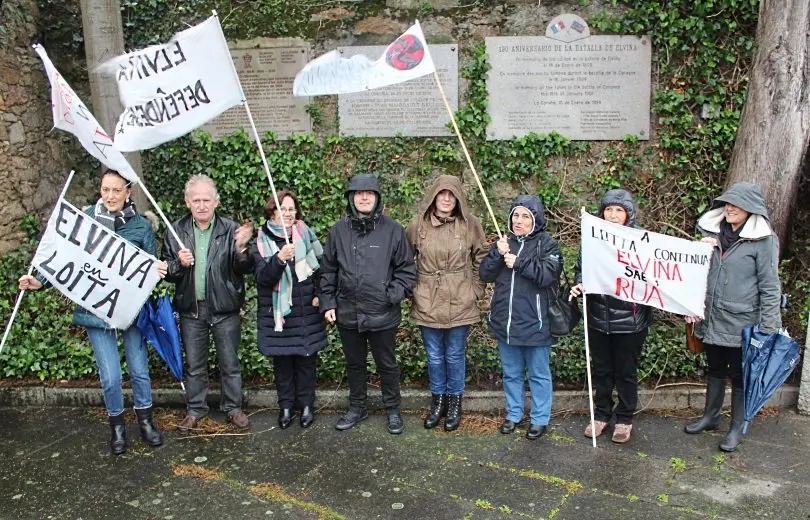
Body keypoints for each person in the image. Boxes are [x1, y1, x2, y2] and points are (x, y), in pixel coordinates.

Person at [19, 169, 167, 455]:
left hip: (130, 312)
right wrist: (39, 281)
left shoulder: (141, 227)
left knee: (138, 370)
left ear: (128, 192)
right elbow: (66, 260)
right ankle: (117, 428)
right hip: (95, 311)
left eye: (116, 190)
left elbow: (150, 265)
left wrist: (157, 270)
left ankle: (146, 422)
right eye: (105, 190)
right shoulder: (85, 221)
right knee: (110, 375)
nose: (110, 196)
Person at [684, 182, 781, 452]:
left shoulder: (764, 241)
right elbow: (694, 275)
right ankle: (710, 417)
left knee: (740, 376)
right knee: (714, 369)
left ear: (751, 210)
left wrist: (769, 328)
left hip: (743, 323)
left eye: (736, 205)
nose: (729, 208)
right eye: (727, 203)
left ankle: (737, 427)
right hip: (711, 317)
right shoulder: (710, 233)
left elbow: (770, 286)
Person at [320, 174, 416, 434]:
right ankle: (357, 407)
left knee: (387, 364)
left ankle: (393, 410)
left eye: (369, 193)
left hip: (383, 313)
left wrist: (391, 295)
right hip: (347, 312)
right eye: (358, 193)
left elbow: (406, 270)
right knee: (354, 364)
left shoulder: (393, 230)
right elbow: (328, 271)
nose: (364, 197)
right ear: (351, 198)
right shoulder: (338, 231)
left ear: (377, 198)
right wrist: (329, 302)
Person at [162, 174, 254, 432]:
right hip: (191, 308)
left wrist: (241, 248)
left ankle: (233, 408)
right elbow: (166, 271)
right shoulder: (176, 231)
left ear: (216, 202)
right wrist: (177, 264)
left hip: (224, 307)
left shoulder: (230, 228)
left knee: (230, 362)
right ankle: (195, 409)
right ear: (187, 202)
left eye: (206, 200)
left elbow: (244, 267)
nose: (202, 205)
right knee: (195, 364)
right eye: (196, 200)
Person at [570, 189, 653, 444]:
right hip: (597, 316)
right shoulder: (592, 240)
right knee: (602, 370)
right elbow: (582, 269)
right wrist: (580, 283)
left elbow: (651, 276)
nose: (613, 215)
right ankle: (601, 415)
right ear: (602, 213)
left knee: (626, 372)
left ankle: (625, 419)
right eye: (609, 210)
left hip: (630, 319)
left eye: (619, 210)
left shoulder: (641, 241)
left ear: (628, 214)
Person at [406, 175, 488, 431]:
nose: (446, 199)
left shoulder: (470, 224)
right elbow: (404, 259)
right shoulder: (417, 224)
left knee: (454, 354)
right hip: (427, 299)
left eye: (451, 195)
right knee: (434, 355)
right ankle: (437, 401)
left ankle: (454, 402)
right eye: (442, 193)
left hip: (460, 298)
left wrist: (476, 288)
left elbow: (482, 256)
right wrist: (413, 289)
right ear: (433, 196)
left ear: (458, 198)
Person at [480, 195, 562, 440]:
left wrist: (519, 262)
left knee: (538, 374)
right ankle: (513, 415)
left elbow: (548, 275)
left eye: (525, 216)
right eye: (516, 215)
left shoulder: (547, 245)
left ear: (535, 219)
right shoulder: (506, 243)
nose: (519, 220)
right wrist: (497, 252)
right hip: (506, 324)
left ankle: (539, 419)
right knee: (511, 373)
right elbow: (485, 273)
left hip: (536, 324)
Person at [252, 191, 326, 429]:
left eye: (292, 209)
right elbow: (262, 278)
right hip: (279, 315)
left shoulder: (306, 234)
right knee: (282, 363)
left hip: (306, 312)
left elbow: (322, 270)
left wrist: (319, 296)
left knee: (306, 362)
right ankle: (285, 406)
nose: (288, 214)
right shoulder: (262, 240)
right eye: (283, 209)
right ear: (272, 211)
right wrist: (279, 259)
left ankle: (306, 405)